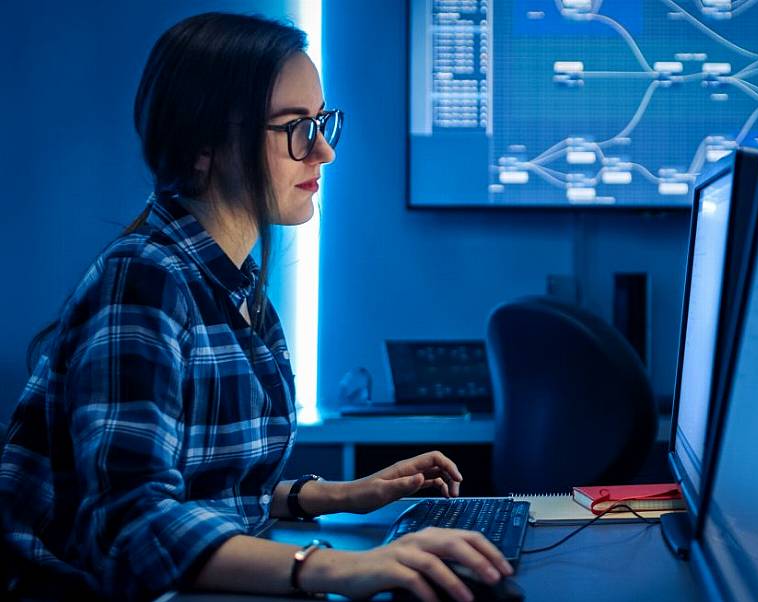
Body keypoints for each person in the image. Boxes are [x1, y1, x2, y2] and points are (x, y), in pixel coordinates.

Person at [0, 12, 511, 602]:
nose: (323, 151)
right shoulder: (144, 279)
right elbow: (132, 526)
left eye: (321, 122)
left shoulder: (236, 288)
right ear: (202, 147)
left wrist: (345, 494)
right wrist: (335, 568)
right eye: (295, 126)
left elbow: (203, 490)